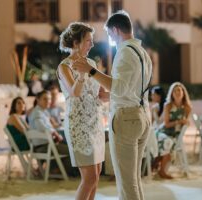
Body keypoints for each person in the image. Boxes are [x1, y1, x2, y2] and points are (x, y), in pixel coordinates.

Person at [73, 11, 152, 200]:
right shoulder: (143, 53)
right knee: (134, 180)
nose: (109, 38)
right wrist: (110, 96)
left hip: (126, 119)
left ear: (115, 30)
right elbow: (132, 89)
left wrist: (91, 70)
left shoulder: (124, 51)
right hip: (142, 116)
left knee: (127, 183)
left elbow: (119, 86)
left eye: (109, 34)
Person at [57, 22, 106, 200]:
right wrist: (84, 72)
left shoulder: (91, 62)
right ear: (76, 42)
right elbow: (74, 92)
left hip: (95, 123)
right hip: (78, 126)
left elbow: (99, 94)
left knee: (97, 175)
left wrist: (123, 93)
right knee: (89, 177)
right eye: (88, 40)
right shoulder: (64, 67)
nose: (92, 45)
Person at [27, 90, 72, 173]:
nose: (48, 101)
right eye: (45, 99)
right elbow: (41, 127)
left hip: (46, 145)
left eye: (49, 99)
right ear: (38, 100)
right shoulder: (37, 113)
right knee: (71, 150)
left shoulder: (43, 112)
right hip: (42, 147)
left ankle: (56, 170)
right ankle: (68, 172)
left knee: (67, 147)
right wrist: (55, 133)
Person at [155, 82, 192, 179]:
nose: (177, 92)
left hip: (176, 134)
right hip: (163, 131)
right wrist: (179, 121)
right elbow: (166, 124)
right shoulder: (168, 105)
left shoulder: (187, 108)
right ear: (171, 93)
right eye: (175, 91)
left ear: (183, 93)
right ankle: (161, 170)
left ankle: (161, 170)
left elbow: (187, 123)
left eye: (179, 90)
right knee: (167, 141)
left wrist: (185, 123)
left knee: (170, 142)